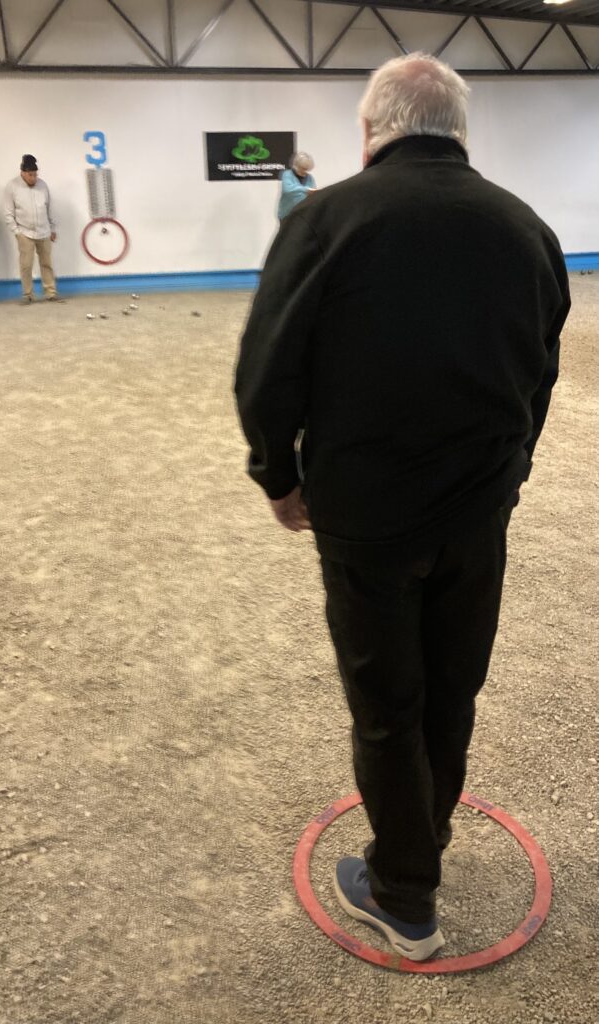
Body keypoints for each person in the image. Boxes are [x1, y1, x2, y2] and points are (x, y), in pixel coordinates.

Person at [235, 53, 570, 962]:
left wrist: (277, 475)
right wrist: (512, 472)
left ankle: (403, 897)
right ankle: (426, 839)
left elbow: (268, 366)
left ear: (370, 130)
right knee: (451, 690)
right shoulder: (528, 231)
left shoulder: (323, 221)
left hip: (366, 518)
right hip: (478, 514)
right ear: (459, 129)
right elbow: (539, 374)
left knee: (388, 705)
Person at [4, 154, 63, 303]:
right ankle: (28, 294)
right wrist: (16, 232)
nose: (33, 178)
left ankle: (50, 292)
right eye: (30, 175)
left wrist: (52, 228)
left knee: (46, 263)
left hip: (44, 231)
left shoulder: (43, 186)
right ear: (22, 173)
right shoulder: (12, 187)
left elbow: (49, 208)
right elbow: (8, 212)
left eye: (35, 174)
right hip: (24, 232)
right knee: (26, 265)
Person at [277, 152, 316, 220]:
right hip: (287, 214)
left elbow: (312, 193)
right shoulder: (287, 174)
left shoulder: (310, 178)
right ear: (297, 166)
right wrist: (305, 190)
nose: (305, 171)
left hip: (303, 214)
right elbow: (287, 189)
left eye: (307, 169)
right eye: (303, 168)